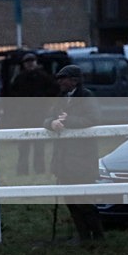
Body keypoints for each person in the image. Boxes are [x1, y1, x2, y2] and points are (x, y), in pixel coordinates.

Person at [43, 65, 104, 243]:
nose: (60, 82)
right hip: (63, 158)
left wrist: (68, 121)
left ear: (74, 80)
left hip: (82, 158)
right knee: (70, 199)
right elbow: (47, 118)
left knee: (84, 199)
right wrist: (52, 123)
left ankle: (97, 235)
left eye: (63, 79)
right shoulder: (61, 98)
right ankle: (83, 236)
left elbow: (94, 119)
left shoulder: (87, 96)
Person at [5, 52, 58, 175]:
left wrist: (45, 101)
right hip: (24, 115)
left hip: (39, 114)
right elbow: (12, 95)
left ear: (35, 62)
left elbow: (53, 90)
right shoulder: (19, 78)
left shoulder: (43, 77)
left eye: (32, 61)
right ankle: (22, 170)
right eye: (27, 62)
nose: (30, 64)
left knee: (39, 144)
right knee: (23, 145)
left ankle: (39, 169)